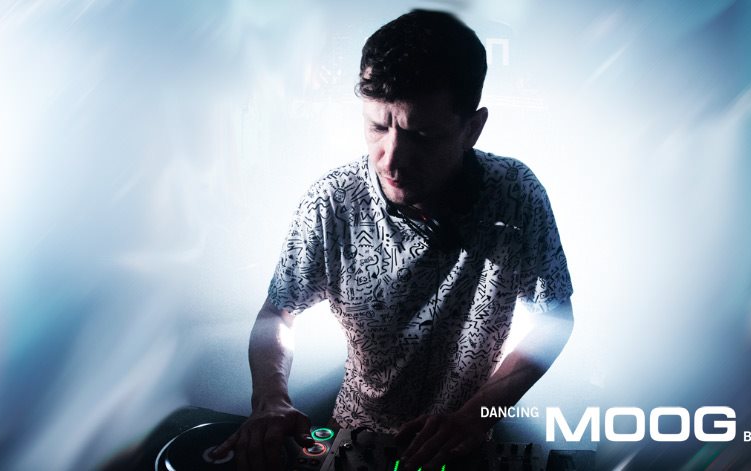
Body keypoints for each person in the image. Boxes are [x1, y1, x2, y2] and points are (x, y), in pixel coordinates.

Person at [214, 9, 575, 471]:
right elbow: (279, 311)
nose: (390, 159)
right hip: (356, 435)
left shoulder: (516, 193)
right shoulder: (332, 202)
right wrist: (270, 398)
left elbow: (554, 318)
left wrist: (475, 416)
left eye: (420, 135)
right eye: (377, 127)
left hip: (465, 443)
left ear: (472, 128)